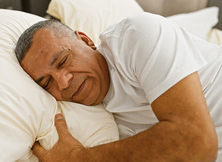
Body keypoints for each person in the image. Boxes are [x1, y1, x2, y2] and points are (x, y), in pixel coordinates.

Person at [15, 12, 221, 161]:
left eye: (63, 61)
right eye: (47, 82)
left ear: (86, 41)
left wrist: (77, 158)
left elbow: (196, 141)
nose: (63, 82)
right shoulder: (85, 117)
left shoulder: (136, 35)